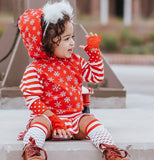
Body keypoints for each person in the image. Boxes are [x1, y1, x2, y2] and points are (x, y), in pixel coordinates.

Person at [18, 1, 129, 160]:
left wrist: (94, 54)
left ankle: (111, 150)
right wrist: (54, 120)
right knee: (38, 125)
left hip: (75, 119)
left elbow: (95, 76)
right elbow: (33, 101)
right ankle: (32, 150)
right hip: (49, 119)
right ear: (46, 43)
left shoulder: (75, 61)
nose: (72, 43)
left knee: (91, 121)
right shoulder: (35, 69)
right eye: (66, 39)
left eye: (72, 37)